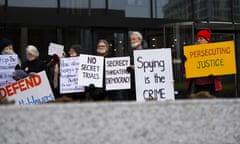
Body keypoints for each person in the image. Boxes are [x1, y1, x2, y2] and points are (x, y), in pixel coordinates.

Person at [186, 29, 222, 96]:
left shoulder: (214, 52)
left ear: (207, 40)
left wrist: (214, 72)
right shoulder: (193, 53)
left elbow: (220, 67)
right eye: (198, 39)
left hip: (211, 86)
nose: (198, 40)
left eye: (201, 39)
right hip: (197, 85)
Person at [126, 31, 144, 100]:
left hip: (145, 85)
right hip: (132, 88)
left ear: (140, 40)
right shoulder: (128, 53)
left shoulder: (148, 52)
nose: (132, 41)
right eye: (131, 39)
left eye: (134, 39)